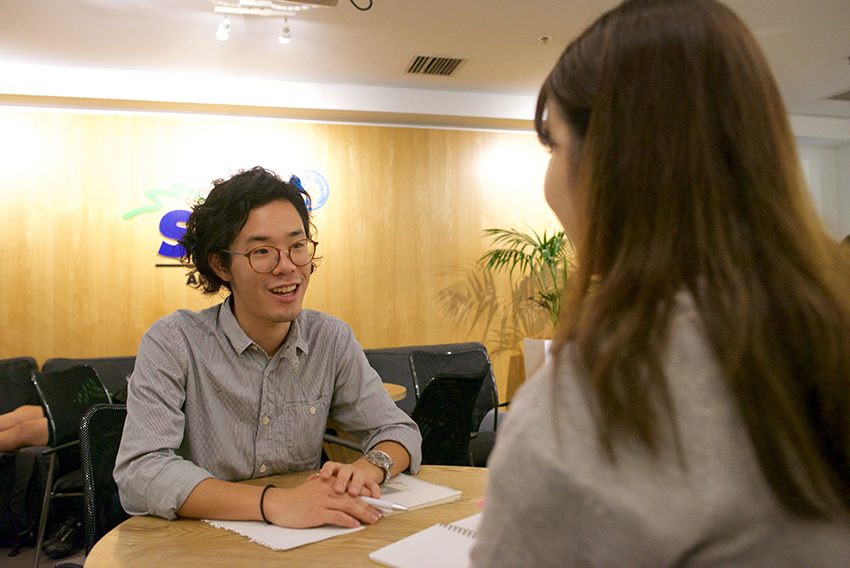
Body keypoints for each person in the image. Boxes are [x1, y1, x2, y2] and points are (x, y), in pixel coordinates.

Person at [471, 1, 850, 566]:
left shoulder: (603, 395)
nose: (550, 178)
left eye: (553, 145)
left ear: (611, 164)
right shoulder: (824, 334)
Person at [114, 166, 421, 529]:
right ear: (221, 265)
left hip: (303, 536)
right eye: (262, 251)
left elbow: (399, 430)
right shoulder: (174, 342)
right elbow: (141, 470)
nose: (287, 267)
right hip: (201, 539)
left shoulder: (331, 339)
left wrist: (367, 469)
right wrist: (274, 503)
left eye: (297, 246)